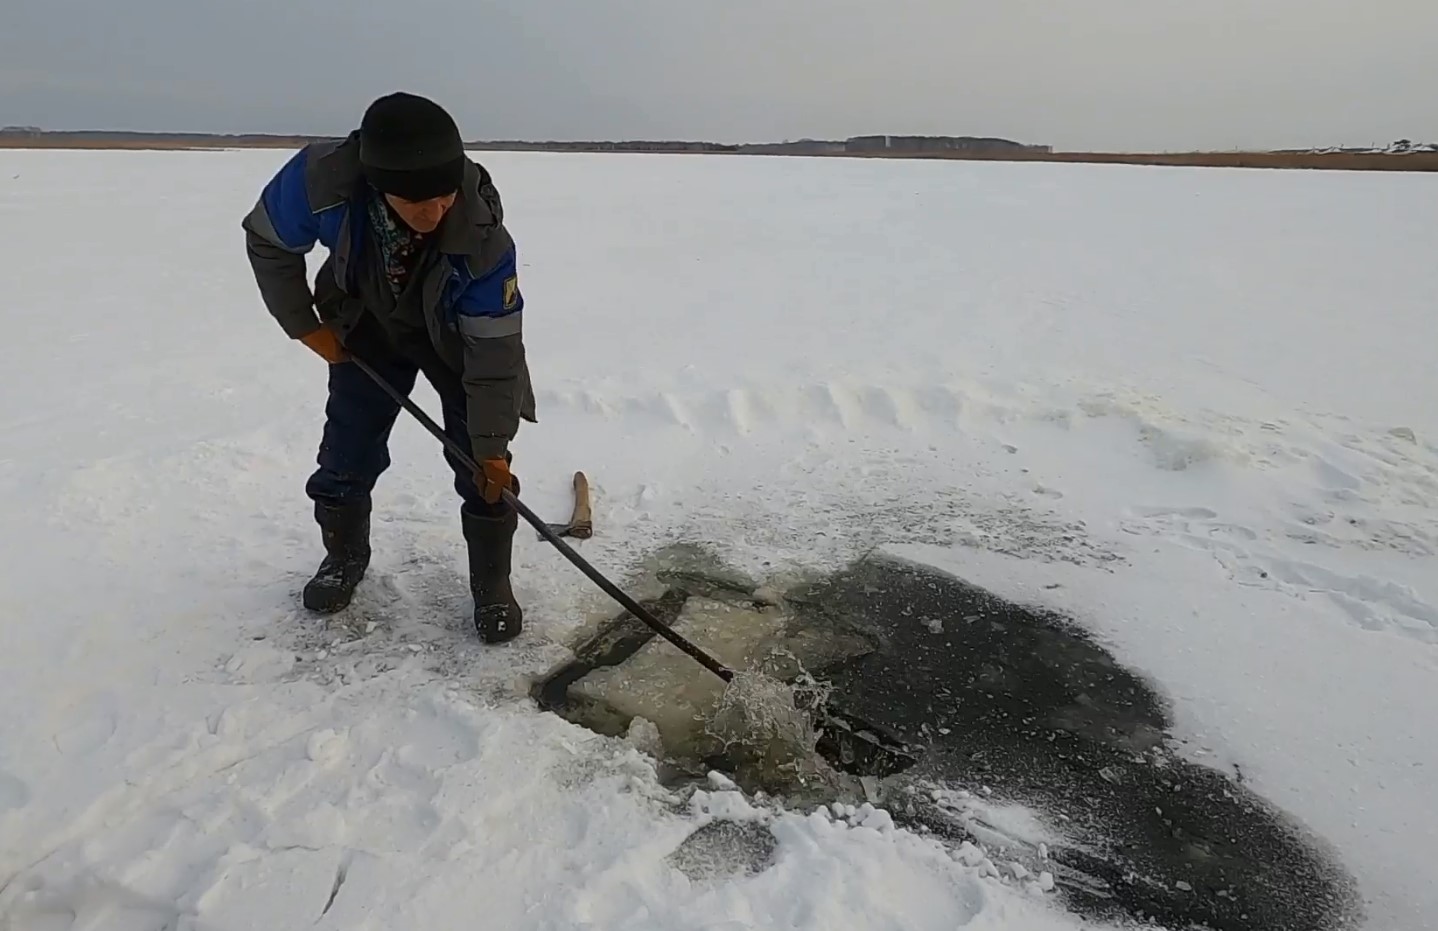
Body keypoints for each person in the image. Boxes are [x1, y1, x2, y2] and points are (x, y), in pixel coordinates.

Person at [240, 92, 536, 643]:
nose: (434, 213)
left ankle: (492, 585)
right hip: (366, 323)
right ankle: (344, 557)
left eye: (445, 196)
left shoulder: (483, 239)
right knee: (347, 451)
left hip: (453, 340)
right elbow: (269, 240)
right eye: (415, 201)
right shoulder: (321, 182)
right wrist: (305, 324)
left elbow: (495, 350)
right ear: (378, 185)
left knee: (482, 468)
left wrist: (492, 444)